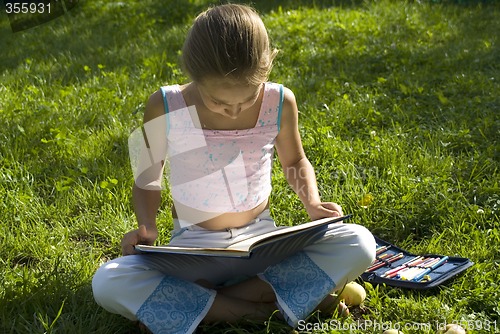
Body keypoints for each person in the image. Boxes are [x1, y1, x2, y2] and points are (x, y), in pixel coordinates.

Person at [92, 4, 375, 334]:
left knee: (359, 242)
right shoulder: (167, 104)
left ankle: (206, 305)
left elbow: (295, 161)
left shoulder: (279, 102)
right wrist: (146, 227)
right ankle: (265, 308)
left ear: (265, 73)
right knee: (108, 281)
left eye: (246, 99)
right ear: (194, 76)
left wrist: (312, 204)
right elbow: (148, 175)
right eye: (218, 101)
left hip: (262, 241)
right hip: (192, 249)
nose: (232, 110)